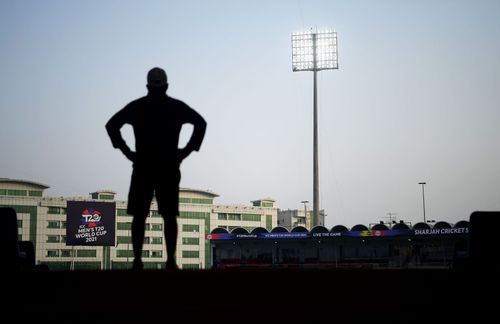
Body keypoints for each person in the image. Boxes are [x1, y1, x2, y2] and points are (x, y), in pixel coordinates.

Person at [106, 67, 206, 270]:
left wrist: (127, 152)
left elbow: (112, 125)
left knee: (139, 215)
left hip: (143, 166)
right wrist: (185, 151)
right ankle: (170, 260)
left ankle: (137, 260)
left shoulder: (138, 107)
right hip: (168, 167)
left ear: (147, 86)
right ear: (166, 85)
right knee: (169, 215)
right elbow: (200, 123)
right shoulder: (176, 107)